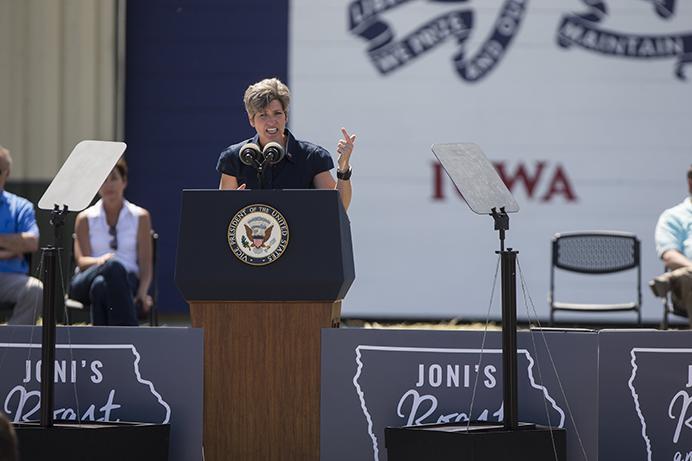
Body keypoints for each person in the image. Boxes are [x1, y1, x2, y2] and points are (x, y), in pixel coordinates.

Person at [217, 77, 356, 210]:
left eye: (277, 113)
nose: (271, 121)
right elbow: (222, 212)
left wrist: (343, 168)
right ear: (251, 120)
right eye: (263, 115)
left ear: (286, 116)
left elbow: (338, 208)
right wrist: (233, 205)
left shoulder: (312, 157)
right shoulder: (234, 157)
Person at [69, 158, 153, 326]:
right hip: (86, 279)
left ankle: (101, 346)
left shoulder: (141, 217)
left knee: (101, 287)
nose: (109, 185)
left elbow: (146, 264)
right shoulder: (84, 218)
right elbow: (82, 262)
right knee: (112, 267)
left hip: (127, 282)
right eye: (103, 180)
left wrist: (143, 293)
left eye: (113, 178)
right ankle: (130, 336)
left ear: (124, 181)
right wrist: (104, 262)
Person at [0, 145, 42, 325]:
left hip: (10, 278)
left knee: (35, 290)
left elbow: (32, 242)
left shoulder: (20, 206)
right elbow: (24, 242)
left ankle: (12, 347)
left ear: (7, 173)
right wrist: (12, 248)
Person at [651, 164, 692, 326]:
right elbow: (669, 256)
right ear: (690, 182)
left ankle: (670, 278)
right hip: (685, 288)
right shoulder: (673, 217)